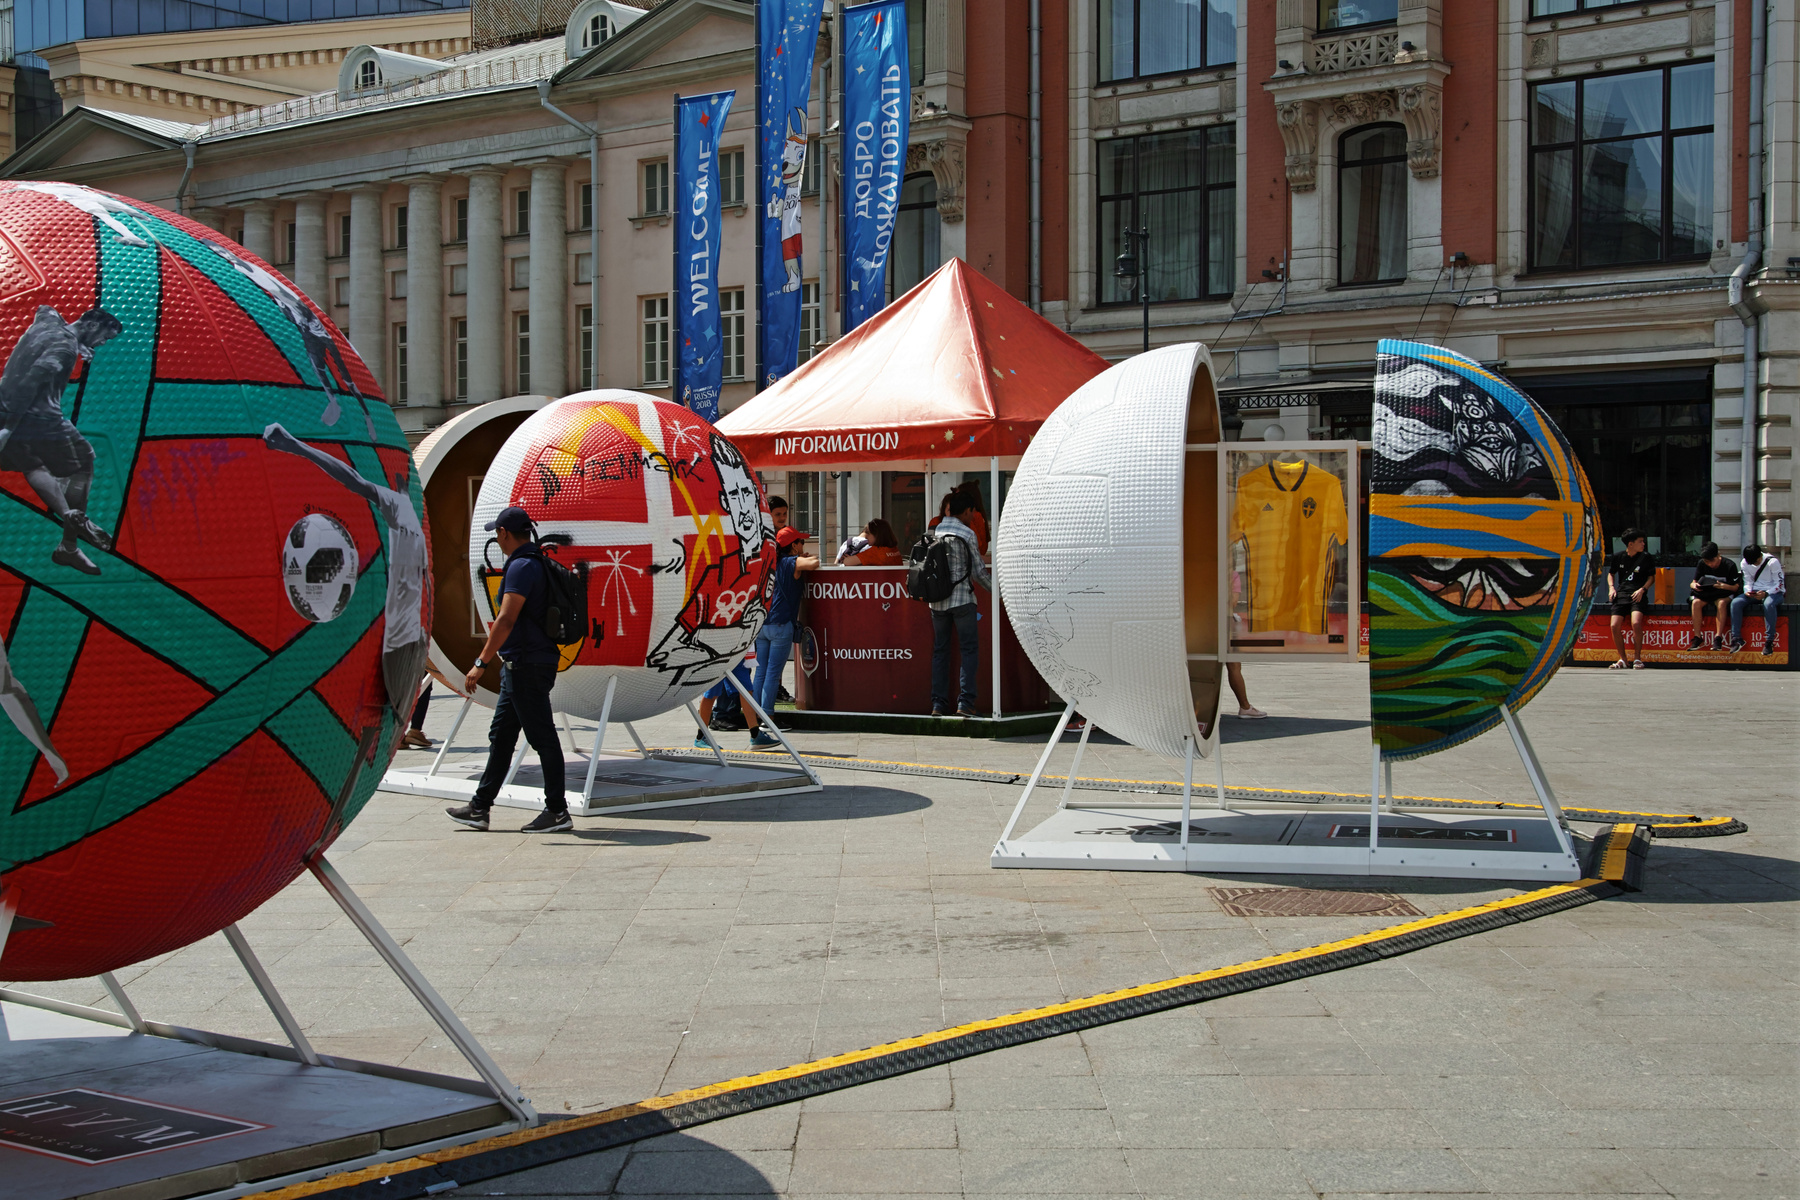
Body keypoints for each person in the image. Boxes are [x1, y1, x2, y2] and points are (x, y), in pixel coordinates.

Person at [265, 423, 428, 721]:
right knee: (386, 721)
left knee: (384, 721)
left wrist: (294, 445)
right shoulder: (407, 514)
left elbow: (351, 478)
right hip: (408, 637)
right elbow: (352, 478)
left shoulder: (404, 508)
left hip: (406, 639)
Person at [446, 506, 569, 833]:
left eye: (497, 533)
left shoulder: (521, 566)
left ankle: (557, 811)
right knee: (501, 737)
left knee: (543, 738)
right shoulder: (535, 561)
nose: (497, 539)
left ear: (504, 533)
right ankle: (479, 808)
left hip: (526, 664)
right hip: (522, 665)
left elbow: (506, 619)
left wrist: (481, 662)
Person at [0, 305, 124, 575]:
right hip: (38, 418)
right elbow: (31, 381)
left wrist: (80, 343)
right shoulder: (64, 350)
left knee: (33, 465)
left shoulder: (48, 322)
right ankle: (69, 540)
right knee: (83, 461)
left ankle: (68, 519)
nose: (103, 343)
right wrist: (9, 428)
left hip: (2, 406)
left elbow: (45, 308)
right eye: (104, 337)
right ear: (92, 325)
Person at [750, 526, 817, 743]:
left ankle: (756, 715)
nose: (803, 545)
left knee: (760, 672)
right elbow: (814, 564)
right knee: (772, 673)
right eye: (801, 542)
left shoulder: (771, 562)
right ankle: (768, 716)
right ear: (793, 546)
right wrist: (804, 558)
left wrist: (799, 557)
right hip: (781, 625)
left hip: (763, 623)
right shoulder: (790, 562)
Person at [929, 490, 991, 718]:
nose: (972, 516)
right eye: (972, 512)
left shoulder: (933, 531)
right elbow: (978, 572)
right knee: (969, 650)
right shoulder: (967, 533)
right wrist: (998, 592)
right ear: (966, 511)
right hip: (963, 599)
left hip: (937, 602)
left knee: (940, 651)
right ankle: (965, 703)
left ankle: (938, 704)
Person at [1606, 528, 1655, 669]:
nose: (1643, 544)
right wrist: (1611, 588)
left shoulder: (1646, 557)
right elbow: (1611, 574)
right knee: (1614, 625)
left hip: (1638, 595)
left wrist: (1642, 590)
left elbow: (1651, 578)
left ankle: (1637, 659)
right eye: (1640, 541)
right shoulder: (1618, 557)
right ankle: (1623, 659)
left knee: (1636, 623)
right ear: (1630, 544)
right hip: (1621, 594)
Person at [1729, 544, 1785, 655]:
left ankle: (1769, 640)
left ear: (1760, 557)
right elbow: (1747, 581)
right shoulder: (1745, 563)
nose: (1754, 565)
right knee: (1735, 603)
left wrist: (1766, 593)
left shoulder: (1772, 562)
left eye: (1756, 562)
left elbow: (1779, 583)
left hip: (1774, 592)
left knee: (1768, 604)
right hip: (1755, 591)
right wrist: (1748, 591)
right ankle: (1736, 638)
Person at [1688, 542, 1742, 651]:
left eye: (1712, 561)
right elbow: (1693, 582)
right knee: (1695, 603)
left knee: (1721, 603)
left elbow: (1736, 587)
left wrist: (1723, 586)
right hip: (1707, 593)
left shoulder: (1729, 565)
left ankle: (1718, 638)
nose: (1710, 564)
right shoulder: (1702, 564)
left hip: (1724, 593)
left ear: (1718, 555)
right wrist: (1695, 586)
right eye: (1706, 562)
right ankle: (1697, 637)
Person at [694, 662, 763, 747]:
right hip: (720, 658)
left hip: (737, 657)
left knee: (746, 690)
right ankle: (700, 736)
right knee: (711, 693)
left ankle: (755, 734)